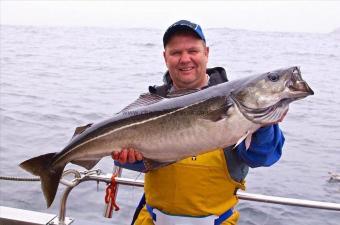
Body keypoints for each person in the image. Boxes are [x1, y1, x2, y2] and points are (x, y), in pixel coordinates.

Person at [113, 20, 285, 225]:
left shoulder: (239, 101)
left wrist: (264, 126)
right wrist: (131, 158)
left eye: (193, 50)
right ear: (165, 57)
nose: (185, 59)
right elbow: (143, 162)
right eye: (176, 53)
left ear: (206, 52)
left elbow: (261, 157)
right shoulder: (150, 104)